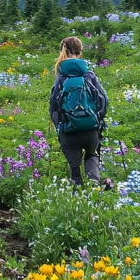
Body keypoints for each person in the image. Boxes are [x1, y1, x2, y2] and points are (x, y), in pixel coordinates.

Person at [49, 37, 109, 189]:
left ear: (62, 50)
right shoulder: (89, 75)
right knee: (92, 155)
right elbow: (104, 100)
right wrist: (96, 119)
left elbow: (54, 106)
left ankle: (78, 193)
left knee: (75, 169)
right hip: (91, 129)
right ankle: (95, 189)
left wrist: (59, 126)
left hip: (69, 131)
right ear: (80, 51)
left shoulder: (61, 77)